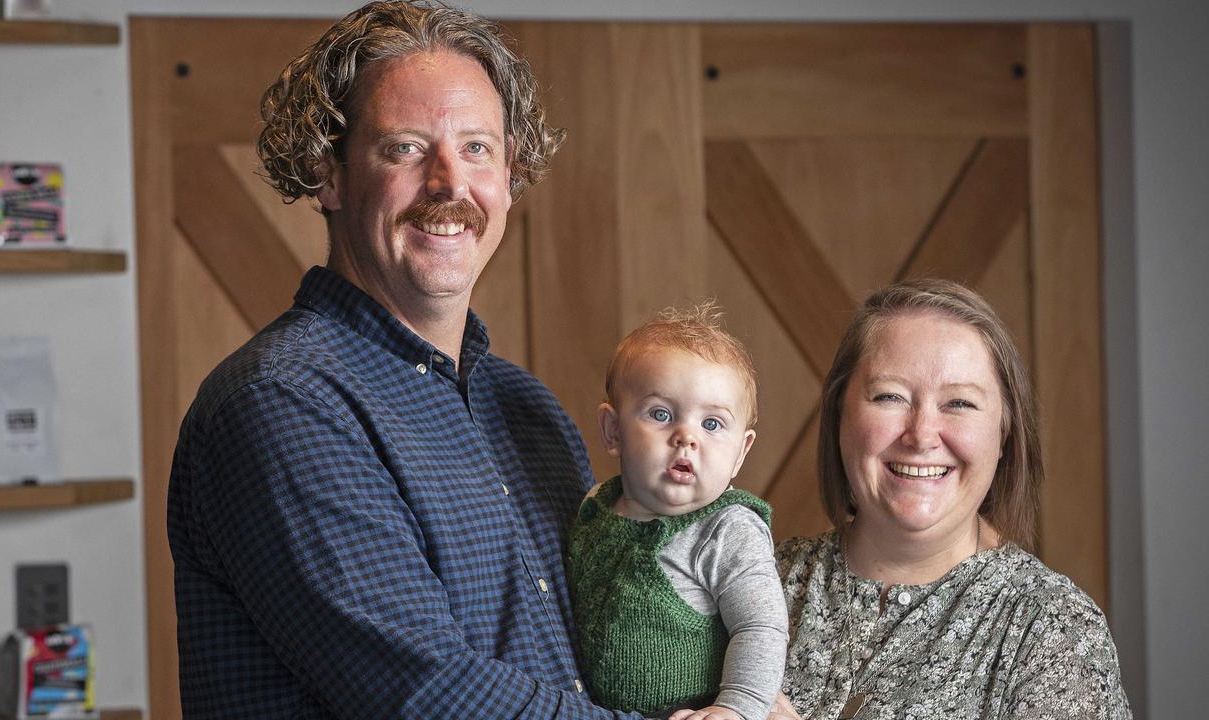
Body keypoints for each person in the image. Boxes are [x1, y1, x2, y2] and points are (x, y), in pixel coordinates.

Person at [166, 3, 641, 717]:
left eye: (478, 148)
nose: (451, 184)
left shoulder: (526, 411)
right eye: (406, 149)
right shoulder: (281, 403)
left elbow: (601, 652)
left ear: (510, 175)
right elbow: (427, 693)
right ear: (328, 174)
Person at [770, 279, 1131, 719]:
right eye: (890, 396)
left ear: (1004, 435)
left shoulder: (1052, 628)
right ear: (839, 416)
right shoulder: (758, 581)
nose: (921, 435)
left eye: (959, 403)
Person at [567, 304, 789, 720]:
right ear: (614, 431)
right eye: (661, 414)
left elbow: (761, 627)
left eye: (712, 424)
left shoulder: (727, 529)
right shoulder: (593, 508)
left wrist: (735, 710)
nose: (686, 437)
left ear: (741, 452)